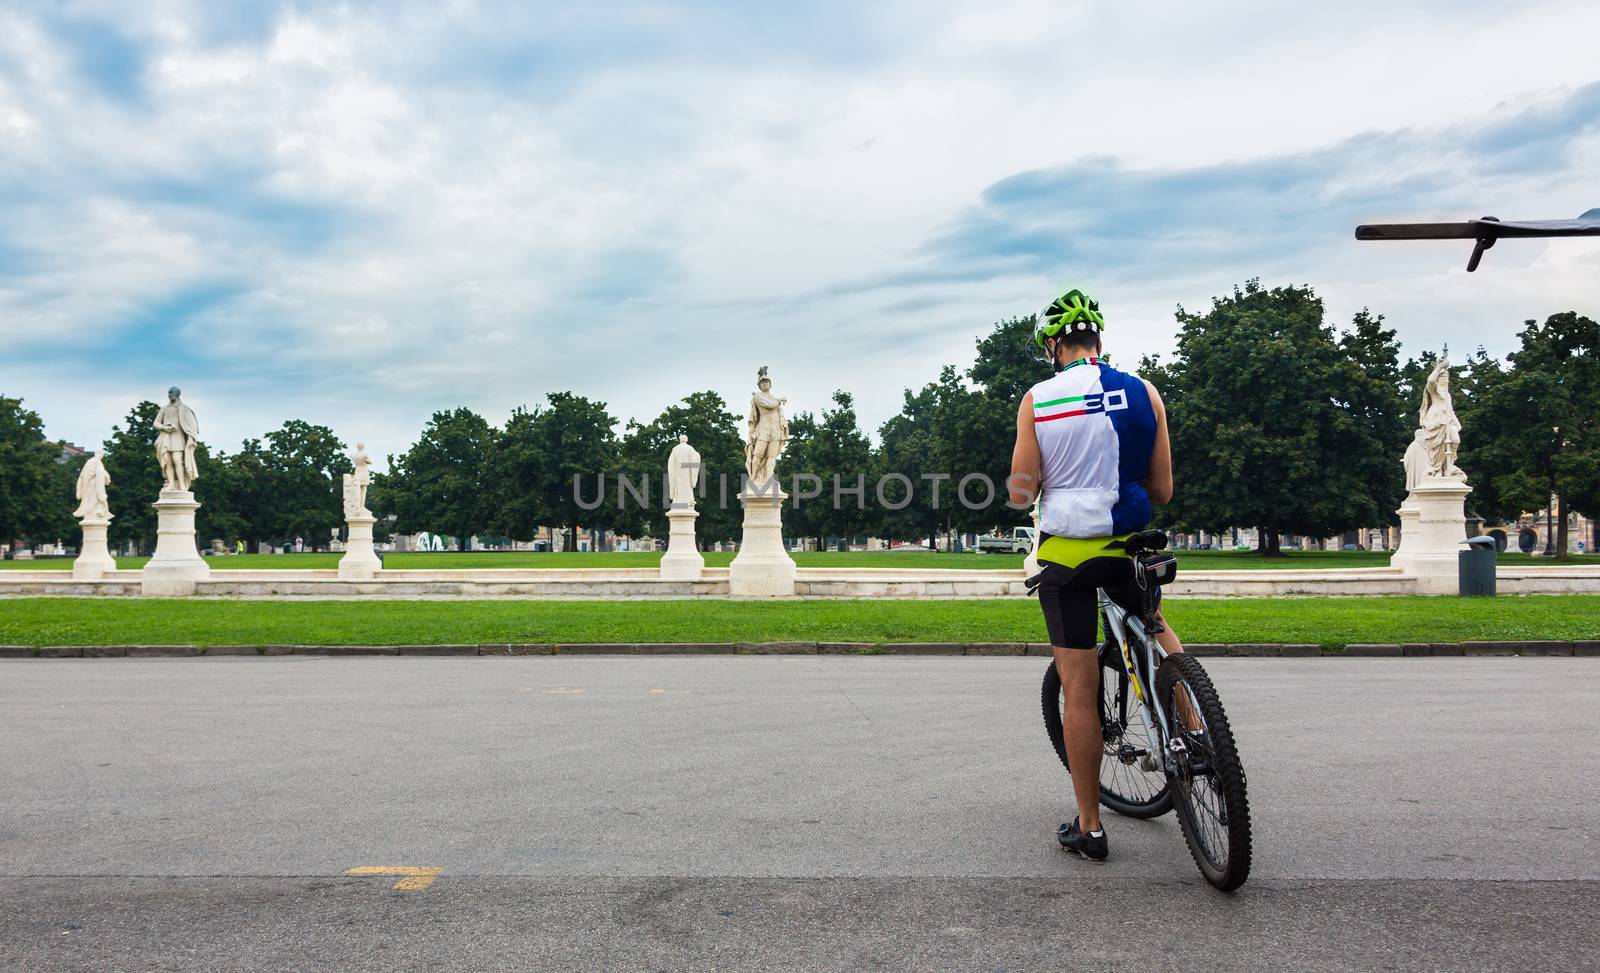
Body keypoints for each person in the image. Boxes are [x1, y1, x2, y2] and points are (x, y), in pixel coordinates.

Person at [1008, 288, 1184, 863]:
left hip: (1069, 556)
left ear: (1053, 345)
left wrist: (1035, 485)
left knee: (1079, 689)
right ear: (1100, 341)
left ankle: (1090, 827)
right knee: (1156, 626)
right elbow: (1161, 490)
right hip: (1130, 543)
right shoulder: (1145, 392)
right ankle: (1200, 731)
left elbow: (1020, 492)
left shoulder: (1037, 400)